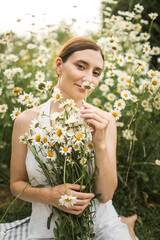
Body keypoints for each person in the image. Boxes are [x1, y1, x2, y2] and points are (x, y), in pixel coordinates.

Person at [1, 37, 138, 240]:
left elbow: (106, 194)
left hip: (99, 225)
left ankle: (123, 226)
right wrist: (50, 196)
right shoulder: (26, 121)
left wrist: (99, 143)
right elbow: (16, 185)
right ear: (59, 65)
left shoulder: (104, 121)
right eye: (81, 66)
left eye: (96, 73)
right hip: (47, 230)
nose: (88, 79)